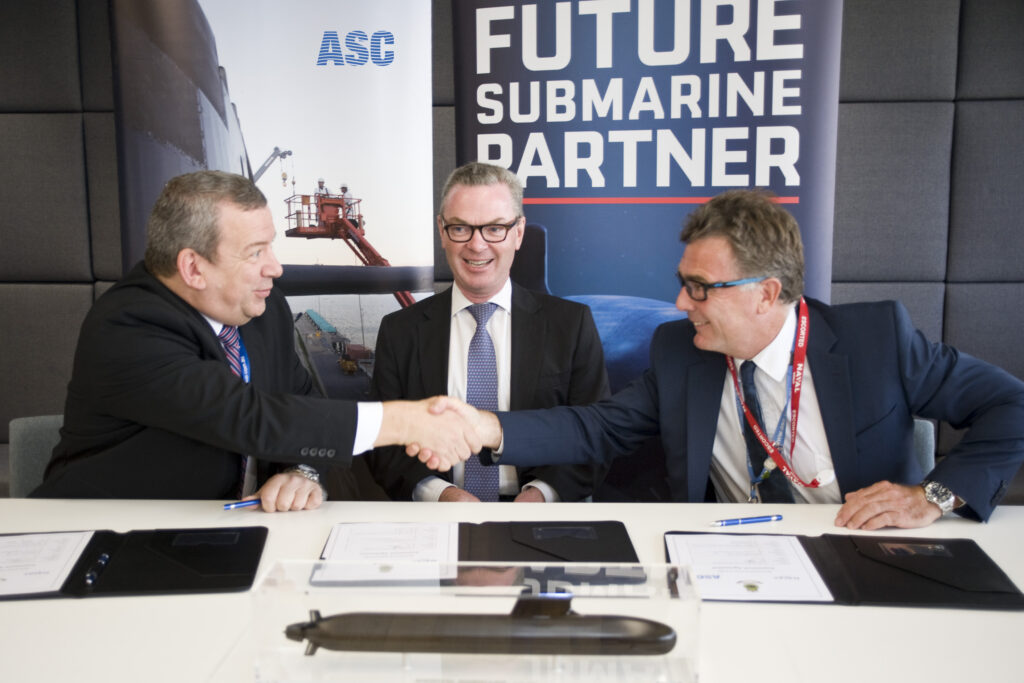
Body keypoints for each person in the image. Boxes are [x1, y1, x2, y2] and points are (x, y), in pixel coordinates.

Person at [428, 189, 1024, 528]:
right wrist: (487, 428)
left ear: (767, 293)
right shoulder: (681, 354)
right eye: (683, 283)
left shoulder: (875, 341)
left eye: (701, 288)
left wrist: (933, 497)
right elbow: (595, 427)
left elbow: (1011, 405)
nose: (681, 303)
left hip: (861, 554)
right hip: (731, 566)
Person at [31, 170, 479, 510]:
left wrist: (302, 469)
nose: (276, 268)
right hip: (103, 537)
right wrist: (406, 422)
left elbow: (302, 404)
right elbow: (247, 416)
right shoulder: (128, 327)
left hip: (228, 536)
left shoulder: (263, 310)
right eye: (255, 252)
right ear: (193, 268)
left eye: (271, 246)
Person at [360, 162, 610, 502]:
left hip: (539, 510)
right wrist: (440, 494)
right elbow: (385, 445)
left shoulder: (571, 325)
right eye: (460, 228)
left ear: (518, 232)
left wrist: (541, 495)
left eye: (494, 228)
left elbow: (596, 434)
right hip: (439, 513)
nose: (477, 245)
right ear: (442, 231)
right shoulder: (400, 331)